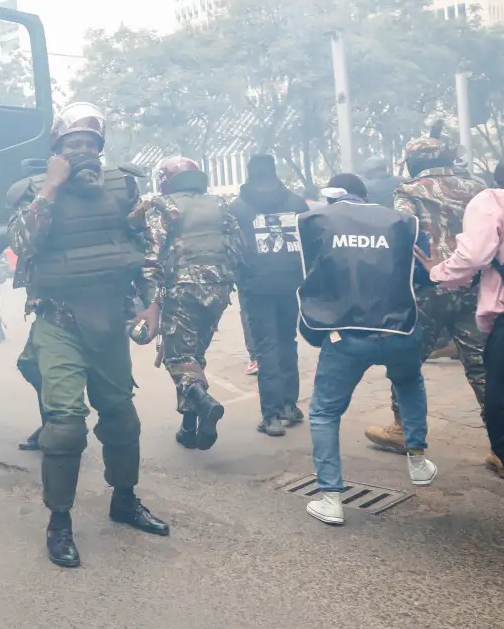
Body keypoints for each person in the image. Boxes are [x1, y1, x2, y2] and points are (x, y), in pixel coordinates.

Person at [8, 102, 169, 568]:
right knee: (65, 425)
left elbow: (144, 249)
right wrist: (52, 189)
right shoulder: (35, 191)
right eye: (72, 144)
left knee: (120, 416)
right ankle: (59, 522)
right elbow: (21, 244)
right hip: (59, 321)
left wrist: (153, 302)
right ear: (56, 149)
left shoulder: (125, 186)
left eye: (90, 143)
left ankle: (124, 500)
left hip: (110, 318)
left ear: (101, 148)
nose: (82, 151)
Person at [299, 173, 438, 526]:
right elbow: (421, 275)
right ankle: (418, 462)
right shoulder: (404, 223)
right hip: (400, 330)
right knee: (408, 383)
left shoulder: (317, 224)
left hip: (347, 337)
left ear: (335, 198)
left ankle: (331, 498)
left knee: (325, 413)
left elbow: (309, 279)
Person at [364, 125, 490, 466]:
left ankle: (403, 427)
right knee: (483, 365)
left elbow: (403, 235)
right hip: (476, 285)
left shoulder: (410, 191)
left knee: (407, 359)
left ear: (414, 162)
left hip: (428, 287)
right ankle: (500, 444)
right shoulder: (478, 187)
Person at [132, 157, 243, 451]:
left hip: (181, 289)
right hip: (218, 288)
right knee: (194, 355)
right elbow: (237, 245)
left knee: (177, 358)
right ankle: (189, 427)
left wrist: (152, 301)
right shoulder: (220, 205)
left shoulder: (163, 206)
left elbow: (152, 257)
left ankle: (205, 402)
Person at [417, 160, 504, 477]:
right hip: (476, 300)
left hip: (458, 294)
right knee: (484, 373)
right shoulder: (473, 187)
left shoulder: (491, 198)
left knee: (498, 399)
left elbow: (475, 255)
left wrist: (436, 272)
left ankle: (405, 428)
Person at [227, 154, 310, 437]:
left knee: (266, 347)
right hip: (290, 284)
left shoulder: (237, 208)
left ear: (249, 174)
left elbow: (233, 249)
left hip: (256, 287)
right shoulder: (297, 203)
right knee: (287, 341)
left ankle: (271, 415)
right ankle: (289, 406)